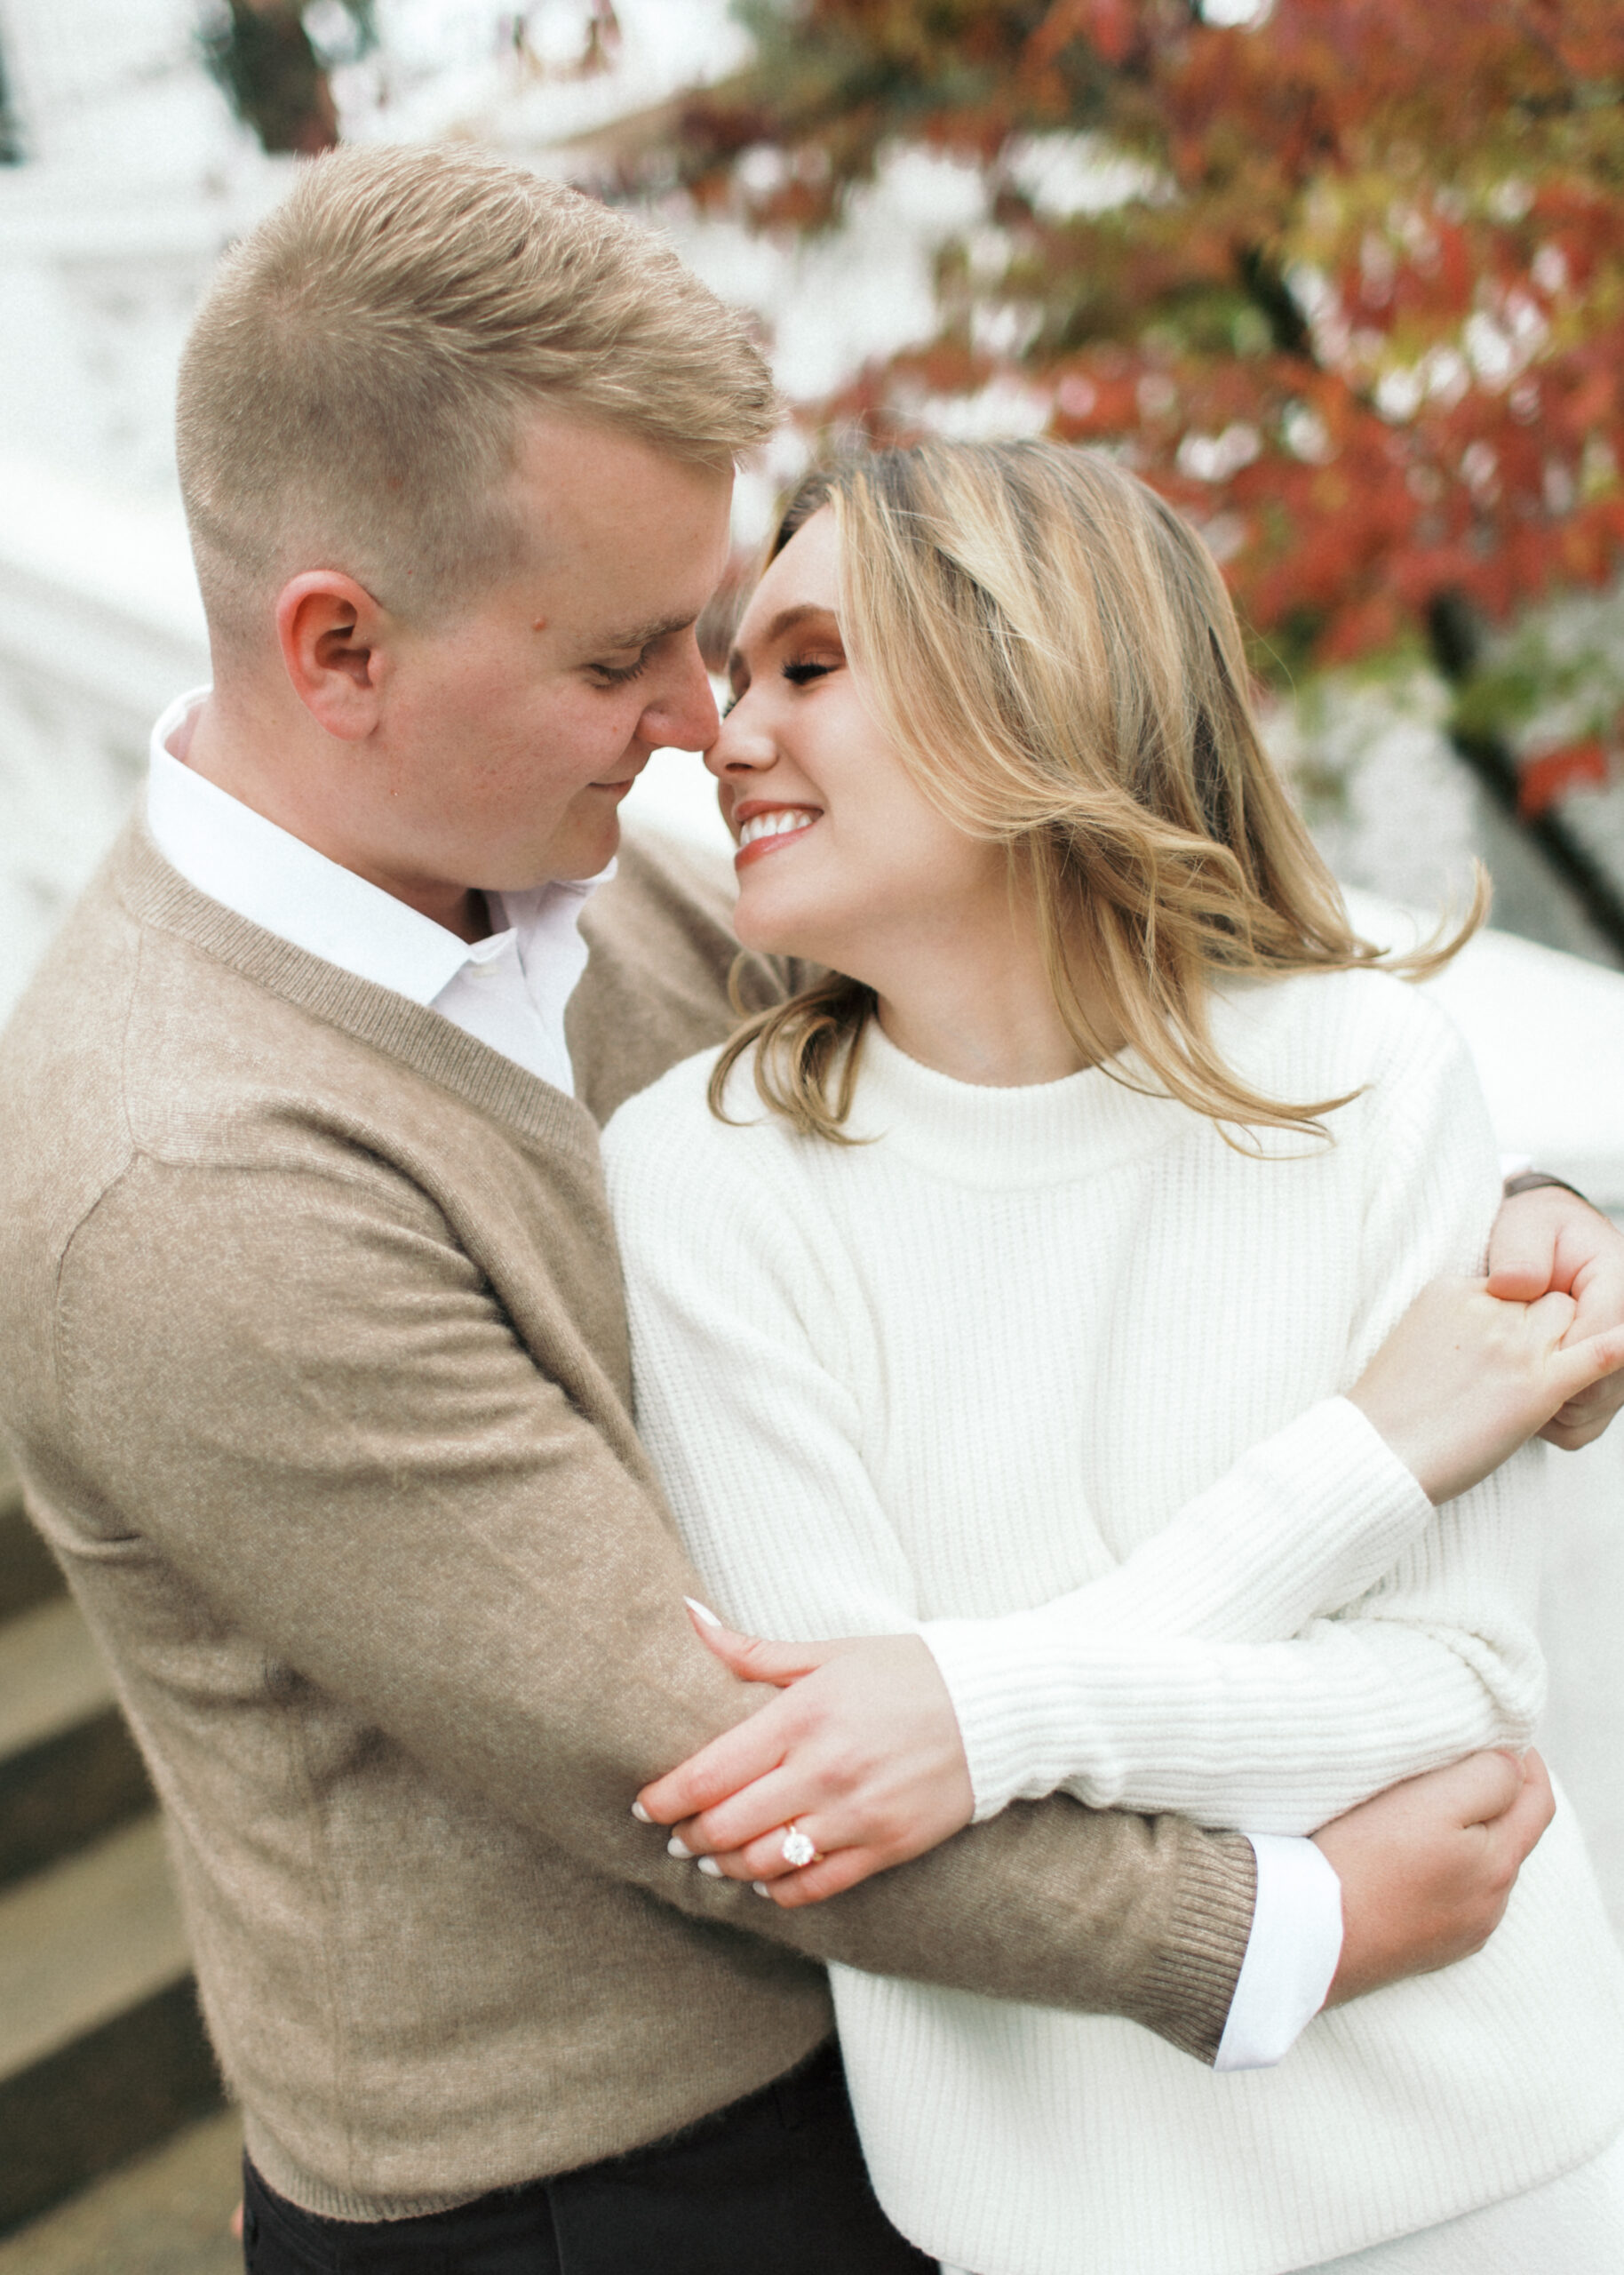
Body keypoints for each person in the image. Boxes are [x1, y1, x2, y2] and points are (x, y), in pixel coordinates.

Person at [0, 145, 1607, 2274]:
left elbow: (1068, 1036)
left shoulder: (598, 873)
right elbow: (752, 1776)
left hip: (931, 2073)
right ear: (339, 646)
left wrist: (1513, 1201)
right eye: (626, 660)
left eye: (729, 637)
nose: (696, 723)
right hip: (593, 2189)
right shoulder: (177, 1189)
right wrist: (1283, 1916)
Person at [604, 443, 1624, 2272]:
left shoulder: (1366, 1074)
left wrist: (983, 1710)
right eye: (731, 670)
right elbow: (842, 1784)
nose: (725, 728)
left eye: (806, 665)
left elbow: (1456, 1703)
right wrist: (1360, 1467)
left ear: (1031, 672)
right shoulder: (696, 1177)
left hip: (1503, 2174)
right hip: (1052, 2222)